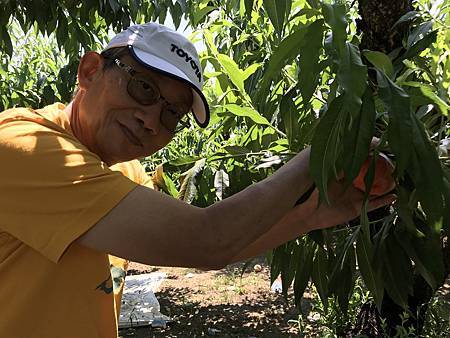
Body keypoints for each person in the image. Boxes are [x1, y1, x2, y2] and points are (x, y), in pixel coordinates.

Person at [0, 22, 395, 337]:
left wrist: (310, 214)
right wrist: (320, 154)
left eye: (172, 113)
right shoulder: (22, 149)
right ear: (89, 72)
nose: (152, 120)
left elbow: (207, 250)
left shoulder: (123, 171)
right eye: (143, 87)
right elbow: (207, 239)